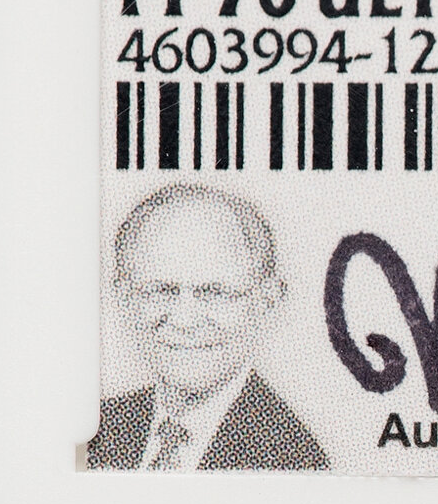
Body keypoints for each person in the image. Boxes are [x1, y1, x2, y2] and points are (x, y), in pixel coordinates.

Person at [88, 185, 327, 470]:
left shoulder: (292, 457)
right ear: (124, 296)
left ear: (267, 301)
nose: (184, 321)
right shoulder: (100, 428)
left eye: (214, 293)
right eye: (161, 290)